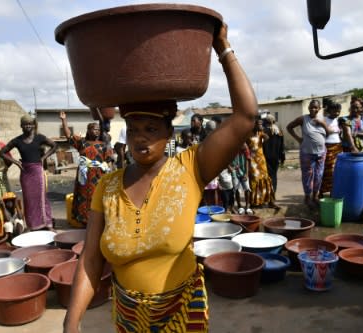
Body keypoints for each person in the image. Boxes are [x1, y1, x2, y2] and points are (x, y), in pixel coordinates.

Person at [62, 23, 258, 333]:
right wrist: (71, 323)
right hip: (127, 316)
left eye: (151, 130)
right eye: (134, 130)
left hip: (181, 311)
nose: (141, 139)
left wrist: (223, 48)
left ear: (169, 133)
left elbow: (246, 116)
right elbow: (90, 259)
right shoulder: (107, 187)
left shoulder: (191, 168)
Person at [0, 115, 57, 231]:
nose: (28, 126)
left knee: (41, 198)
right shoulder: (17, 140)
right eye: (25, 124)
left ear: (34, 125)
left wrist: (44, 157)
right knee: (29, 199)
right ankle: (32, 225)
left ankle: (47, 224)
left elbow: (54, 146)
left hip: (37, 171)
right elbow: (2, 152)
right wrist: (15, 162)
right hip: (25, 172)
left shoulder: (39, 138)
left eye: (30, 124)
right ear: (21, 126)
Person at [60, 111, 113, 227]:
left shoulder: (103, 145)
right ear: (88, 130)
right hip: (84, 176)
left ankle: (98, 222)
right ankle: (85, 223)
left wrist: (109, 176)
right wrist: (64, 120)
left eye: (98, 129)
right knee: (83, 197)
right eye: (94, 129)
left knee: (97, 198)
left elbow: (109, 161)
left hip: (98, 176)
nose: (97, 131)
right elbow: (69, 136)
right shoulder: (82, 143)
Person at [286, 99, 329, 208]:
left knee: (319, 175)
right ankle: (307, 198)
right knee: (308, 176)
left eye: (315, 107)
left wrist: (322, 123)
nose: (313, 109)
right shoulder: (303, 119)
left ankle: (315, 196)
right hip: (307, 153)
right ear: (309, 107)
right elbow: (289, 127)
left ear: (319, 109)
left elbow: (328, 133)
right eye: (311, 107)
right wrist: (298, 139)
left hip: (321, 153)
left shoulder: (322, 120)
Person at [246, 118, 280, 209]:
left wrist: (263, 131)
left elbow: (267, 137)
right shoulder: (248, 135)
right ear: (253, 124)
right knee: (254, 180)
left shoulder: (261, 134)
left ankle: (269, 201)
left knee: (265, 179)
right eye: (258, 124)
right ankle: (255, 202)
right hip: (252, 161)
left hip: (261, 160)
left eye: (261, 124)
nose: (260, 126)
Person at [320, 103, 351, 197]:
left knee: (337, 171)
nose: (337, 113)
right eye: (334, 110)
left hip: (338, 147)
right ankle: (325, 194)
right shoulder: (323, 120)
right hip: (327, 146)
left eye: (338, 111)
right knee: (328, 172)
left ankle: (334, 193)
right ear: (329, 110)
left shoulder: (339, 121)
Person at [262, 114, 285, 192]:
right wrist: (282, 158)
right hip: (276, 157)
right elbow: (282, 147)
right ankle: (273, 192)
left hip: (265, 157)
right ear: (274, 121)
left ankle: (268, 193)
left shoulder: (263, 132)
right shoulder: (279, 132)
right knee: (274, 175)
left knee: (267, 175)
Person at [232, 142, 252, 214]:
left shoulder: (245, 147)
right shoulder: (232, 147)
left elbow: (247, 160)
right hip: (234, 171)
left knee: (247, 188)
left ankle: (247, 206)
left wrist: (246, 173)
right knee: (237, 189)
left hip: (243, 171)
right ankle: (240, 206)